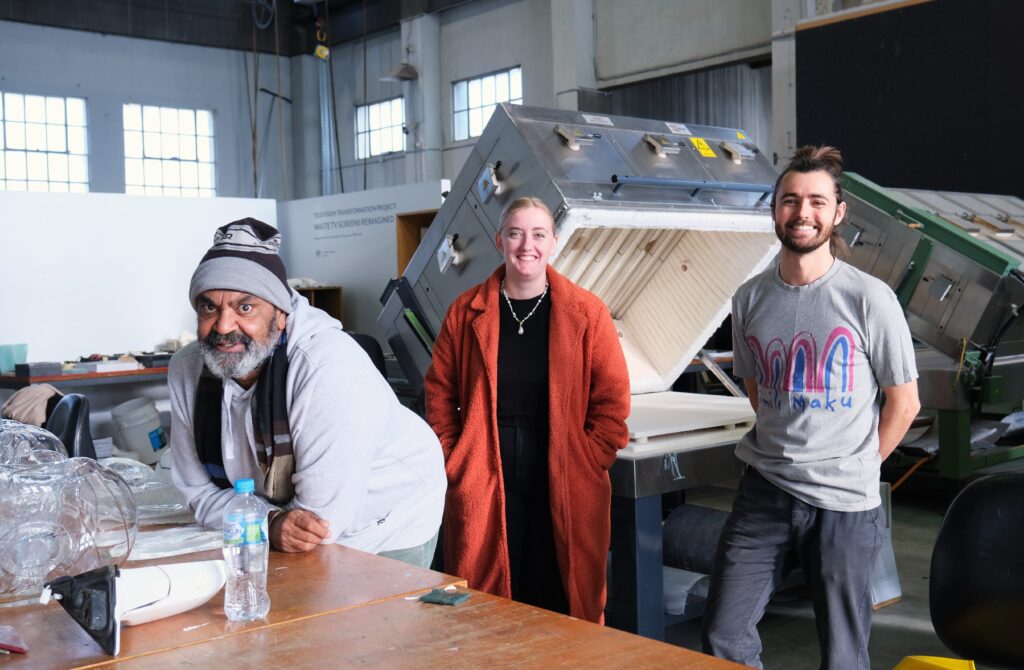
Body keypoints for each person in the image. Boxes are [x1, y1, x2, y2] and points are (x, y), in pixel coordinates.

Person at [701, 146, 921, 669]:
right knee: (723, 635)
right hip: (765, 493)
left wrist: (860, 465)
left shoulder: (869, 298)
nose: (804, 212)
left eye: (817, 201)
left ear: (838, 212)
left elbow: (904, 401)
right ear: (774, 208)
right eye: (791, 200)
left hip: (844, 505)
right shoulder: (749, 298)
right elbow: (758, 391)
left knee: (843, 654)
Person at [170, 218, 446, 567]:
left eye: (245, 307)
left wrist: (253, 519)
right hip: (278, 516)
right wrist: (269, 522)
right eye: (210, 307)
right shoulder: (187, 371)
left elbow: (317, 526)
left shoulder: (326, 368)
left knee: (371, 619)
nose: (224, 327)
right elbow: (194, 494)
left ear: (281, 316)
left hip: (387, 514)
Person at [424, 197, 631, 623]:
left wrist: (590, 459)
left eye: (538, 234)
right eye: (516, 233)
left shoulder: (587, 313)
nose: (526, 245)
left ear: (554, 242)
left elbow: (612, 402)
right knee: (490, 596)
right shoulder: (467, 312)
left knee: (562, 589)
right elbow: (439, 393)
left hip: (565, 467)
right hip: (487, 464)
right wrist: (455, 455)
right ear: (500, 240)